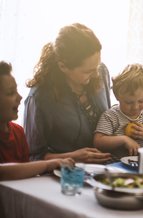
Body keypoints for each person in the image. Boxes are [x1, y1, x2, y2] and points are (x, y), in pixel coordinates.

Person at [24, 23, 111, 163]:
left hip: (103, 171)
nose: (96, 74)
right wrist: (73, 157)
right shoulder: (40, 97)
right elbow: (34, 156)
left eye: (97, 66)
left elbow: (108, 122)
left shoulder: (101, 73)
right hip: (63, 175)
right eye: (87, 71)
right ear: (63, 66)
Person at [0, 60, 75, 181]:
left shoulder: (18, 132)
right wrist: (47, 164)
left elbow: (25, 172)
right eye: (10, 93)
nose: (19, 97)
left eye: (17, 91)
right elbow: (2, 173)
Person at [94, 64, 143, 157]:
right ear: (117, 97)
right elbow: (98, 141)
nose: (135, 107)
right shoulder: (110, 116)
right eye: (128, 102)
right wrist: (123, 140)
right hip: (117, 166)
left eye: (141, 101)